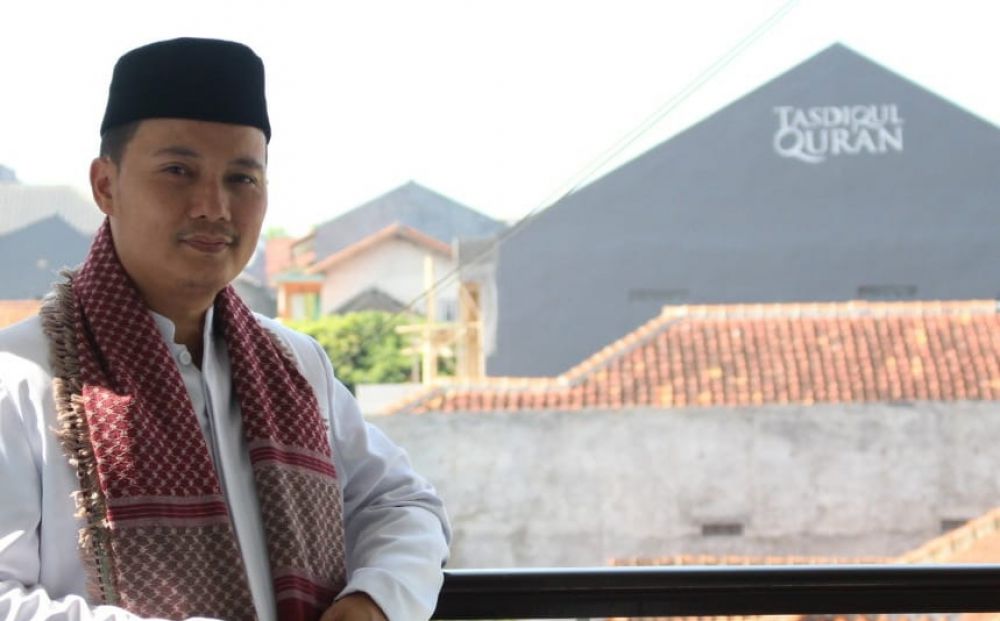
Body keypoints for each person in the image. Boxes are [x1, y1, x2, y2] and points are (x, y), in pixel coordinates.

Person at [0, 38, 450, 621]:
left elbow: (402, 504)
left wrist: (375, 600)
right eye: (178, 171)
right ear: (105, 185)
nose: (213, 206)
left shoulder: (294, 365)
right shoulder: (22, 379)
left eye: (242, 178)